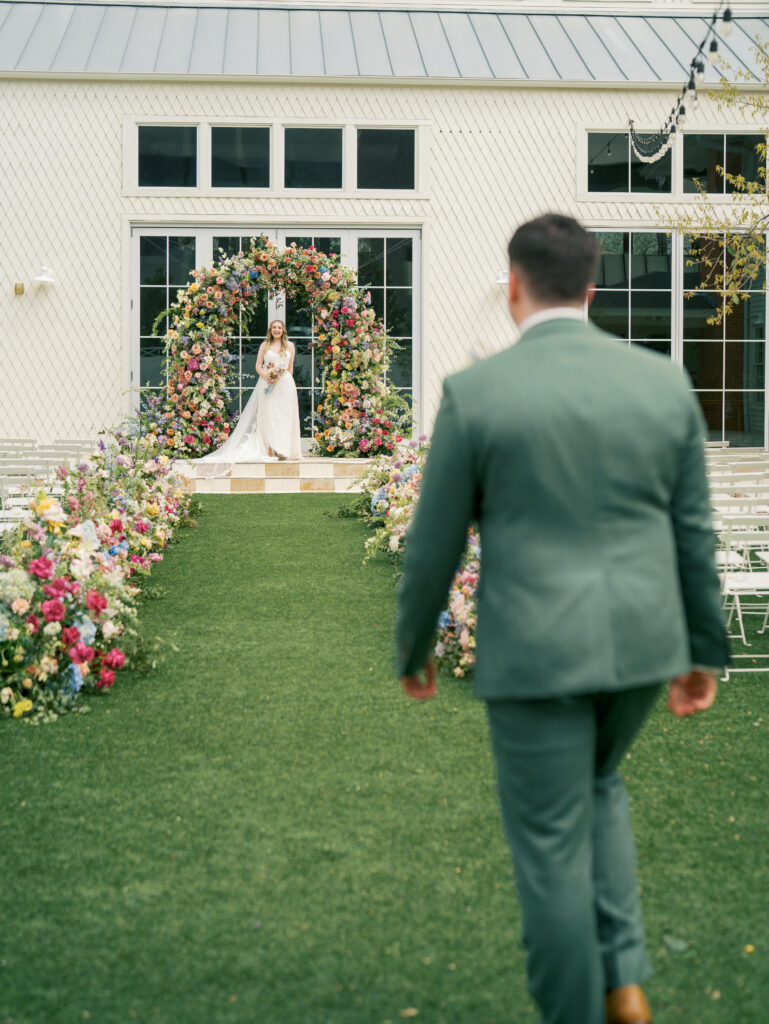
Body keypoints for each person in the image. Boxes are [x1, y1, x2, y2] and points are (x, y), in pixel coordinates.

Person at [395, 214, 730, 1024]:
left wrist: (414, 644)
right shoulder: (663, 383)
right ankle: (621, 980)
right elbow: (692, 533)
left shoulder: (476, 394)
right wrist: (702, 651)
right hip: (643, 648)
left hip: (536, 653)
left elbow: (433, 543)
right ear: (591, 286)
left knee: (549, 845)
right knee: (598, 784)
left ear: (513, 285)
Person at [195, 319, 301, 474]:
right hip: (268, 383)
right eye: (274, 327)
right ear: (270, 330)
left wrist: (286, 382)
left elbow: (290, 368)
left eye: (279, 327)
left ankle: (283, 449)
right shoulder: (264, 345)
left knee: (284, 417)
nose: (277, 330)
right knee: (269, 415)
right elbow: (258, 365)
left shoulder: (290, 346)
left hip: (285, 386)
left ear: (283, 330)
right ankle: (270, 448)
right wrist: (266, 375)